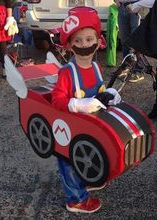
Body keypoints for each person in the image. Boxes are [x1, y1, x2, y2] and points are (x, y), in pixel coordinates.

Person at [52, 7, 121, 213]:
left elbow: (97, 93)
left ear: (99, 41)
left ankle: (87, 180)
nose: (84, 45)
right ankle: (76, 200)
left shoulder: (96, 67)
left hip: (89, 128)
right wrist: (75, 104)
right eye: (78, 41)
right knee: (68, 161)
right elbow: (57, 101)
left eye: (89, 39)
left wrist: (108, 94)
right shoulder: (67, 72)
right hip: (69, 128)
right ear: (69, 45)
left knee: (88, 154)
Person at [115, 0, 145, 82]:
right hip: (122, 7)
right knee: (124, 39)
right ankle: (126, 68)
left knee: (135, 39)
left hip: (135, 6)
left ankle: (138, 70)